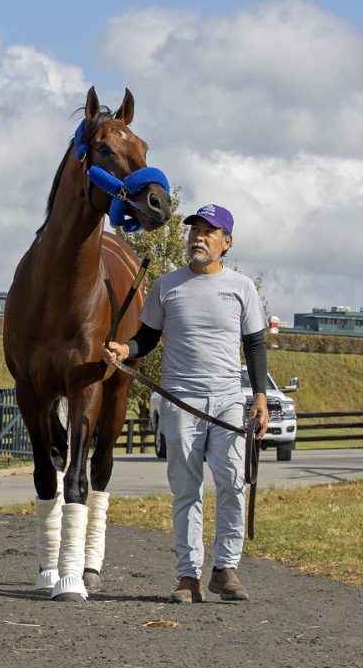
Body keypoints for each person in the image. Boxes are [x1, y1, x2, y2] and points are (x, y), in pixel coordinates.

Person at [105, 204, 269, 603]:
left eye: (209, 231)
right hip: (180, 402)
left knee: (232, 484)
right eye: (194, 229)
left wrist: (260, 397)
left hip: (229, 401)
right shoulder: (167, 285)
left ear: (226, 242)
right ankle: (187, 576)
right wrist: (125, 349)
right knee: (186, 490)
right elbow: (148, 336)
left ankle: (225, 569)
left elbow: (256, 344)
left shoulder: (242, 287)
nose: (198, 236)